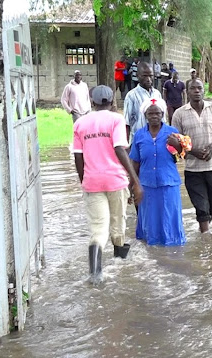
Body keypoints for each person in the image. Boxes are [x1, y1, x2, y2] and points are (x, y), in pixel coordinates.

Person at [73, 85, 143, 282]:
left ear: (92, 102)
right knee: (118, 224)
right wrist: (135, 181)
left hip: (92, 182)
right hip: (115, 180)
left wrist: (84, 181)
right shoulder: (116, 119)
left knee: (98, 229)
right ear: (112, 102)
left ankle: (95, 274)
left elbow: (78, 158)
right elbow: (120, 149)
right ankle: (120, 266)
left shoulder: (80, 123)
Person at [172, 79, 212, 233]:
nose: (196, 91)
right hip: (193, 169)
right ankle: (205, 239)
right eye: (193, 88)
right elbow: (175, 142)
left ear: (204, 91)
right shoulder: (179, 114)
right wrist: (192, 151)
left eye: (199, 88)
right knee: (201, 207)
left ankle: (205, 225)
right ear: (187, 92)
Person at [129, 98, 186, 246]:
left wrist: (178, 146)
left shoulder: (172, 133)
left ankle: (171, 250)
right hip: (146, 186)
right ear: (145, 115)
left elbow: (182, 155)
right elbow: (135, 162)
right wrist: (132, 186)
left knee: (169, 218)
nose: (154, 116)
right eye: (150, 113)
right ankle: (152, 251)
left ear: (162, 114)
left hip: (168, 184)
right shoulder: (139, 136)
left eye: (157, 113)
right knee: (150, 221)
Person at [123, 62, 163, 142]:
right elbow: (126, 123)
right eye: (144, 76)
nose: (148, 79)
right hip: (139, 141)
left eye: (150, 76)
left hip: (157, 140)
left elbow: (162, 119)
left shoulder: (157, 94)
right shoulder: (131, 96)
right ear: (137, 76)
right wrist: (126, 145)